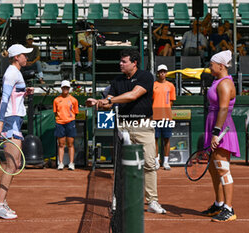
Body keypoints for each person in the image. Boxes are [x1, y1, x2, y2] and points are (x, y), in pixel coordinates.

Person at [86, 49, 166, 214]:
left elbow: (132, 96)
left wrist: (108, 99)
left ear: (134, 63)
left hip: (143, 126)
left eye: (124, 61)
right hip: (123, 127)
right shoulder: (116, 81)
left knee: (150, 164)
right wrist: (97, 103)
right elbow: (109, 104)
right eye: (120, 61)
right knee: (121, 166)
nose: (120, 64)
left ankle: (152, 201)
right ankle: (119, 199)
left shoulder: (145, 76)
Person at [0, 44, 34, 219]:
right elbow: (4, 99)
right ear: (17, 57)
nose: (27, 58)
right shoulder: (11, 73)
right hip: (10, 121)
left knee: (14, 164)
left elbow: (14, 95)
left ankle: (1, 201)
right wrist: (0, 123)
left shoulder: (15, 72)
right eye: (24, 55)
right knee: (12, 165)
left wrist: (24, 93)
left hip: (15, 120)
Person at [201, 50, 240, 222]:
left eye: (211, 65)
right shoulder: (218, 81)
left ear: (221, 66)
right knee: (213, 168)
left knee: (223, 168)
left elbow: (223, 109)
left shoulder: (224, 84)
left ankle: (229, 209)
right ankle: (219, 204)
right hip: (214, 125)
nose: (210, 68)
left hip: (221, 128)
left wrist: (216, 133)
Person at [153, 64, 176, 170]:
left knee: (166, 139)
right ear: (158, 73)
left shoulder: (171, 86)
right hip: (155, 116)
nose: (162, 73)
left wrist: (165, 110)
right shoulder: (153, 85)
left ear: (166, 73)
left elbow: (171, 101)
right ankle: (156, 161)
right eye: (160, 71)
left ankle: (166, 162)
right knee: (155, 139)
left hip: (166, 116)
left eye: (164, 71)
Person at [53, 80, 79, 171]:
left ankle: (71, 163)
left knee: (70, 144)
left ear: (69, 89)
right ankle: (61, 163)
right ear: (61, 88)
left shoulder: (74, 100)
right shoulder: (56, 100)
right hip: (60, 123)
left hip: (70, 123)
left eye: (67, 88)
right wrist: (60, 120)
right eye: (64, 87)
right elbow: (55, 113)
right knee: (61, 144)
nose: (65, 89)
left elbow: (76, 112)